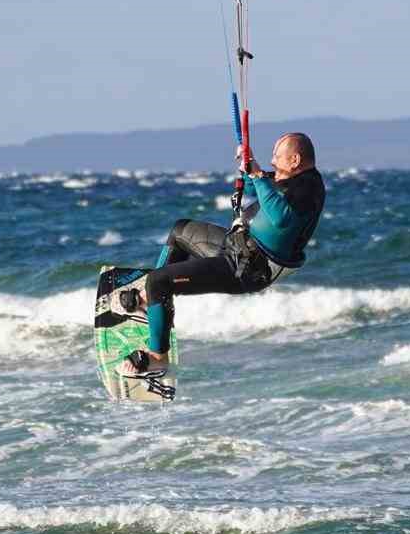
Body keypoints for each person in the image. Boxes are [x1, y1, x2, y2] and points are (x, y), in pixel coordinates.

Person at [119, 132, 326, 369]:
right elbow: (256, 185)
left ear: (295, 160)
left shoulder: (308, 189)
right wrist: (248, 165)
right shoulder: (290, 178)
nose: (272, 162)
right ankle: (152, 303)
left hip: (249, 269)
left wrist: (258, 174)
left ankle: (157, 357)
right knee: (180, 231)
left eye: (276, 156)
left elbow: (281, 218)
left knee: (159, 280)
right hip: (236, 247)